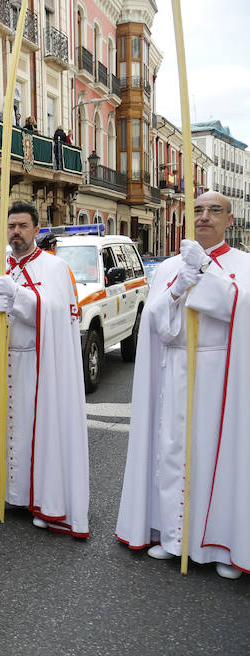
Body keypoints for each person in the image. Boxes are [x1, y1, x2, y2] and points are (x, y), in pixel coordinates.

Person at [116, 191, 249, 579]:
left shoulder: (242, 264)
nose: (205, 217)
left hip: (221, 369)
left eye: (214, 211)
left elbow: (236, 309)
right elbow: (157, 320)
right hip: (176, 366)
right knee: (174, 451)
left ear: (230, 219)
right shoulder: (172, 265)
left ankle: (222, 544)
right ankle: (175, 538)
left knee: (217, 456)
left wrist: (205, 276)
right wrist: (177, 287)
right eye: (199, 211)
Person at [0, 201, 89, 537]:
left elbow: (57, 314)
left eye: (22, 226)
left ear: (36, 230)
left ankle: (41, 499)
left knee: (37, 430)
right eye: (11, 226)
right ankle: (4, 492)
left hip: (36, 363)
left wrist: (19, 297)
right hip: (0, 360)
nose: (15, 232)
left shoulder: (54, 268)